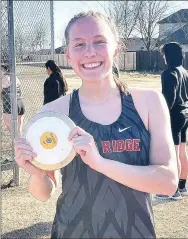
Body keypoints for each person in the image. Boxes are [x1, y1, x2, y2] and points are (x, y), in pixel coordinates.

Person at [14, 11, 178, 238]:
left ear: (116, 48)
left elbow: (168, 182)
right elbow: (44, 193)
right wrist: (37, 174)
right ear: (68, 54)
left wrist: (99, 162)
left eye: (99, 41)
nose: (90, 52)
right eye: (79, 44)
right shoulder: (54, 113)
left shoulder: (149, 103)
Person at [155, 42, 188, 200]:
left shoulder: (168, 73)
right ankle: (182, 186)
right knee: (182, 151)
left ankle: (173, 190)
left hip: (174, 116)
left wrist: (159, 117)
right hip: (185, 114)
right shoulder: (184, 72)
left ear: (168, 55)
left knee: (173, 153)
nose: (163, 58)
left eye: (163, 55)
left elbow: (169, 100)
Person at [1, 63, 25, 136]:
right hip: (20, 103)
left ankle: (15, 144)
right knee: (18, 131)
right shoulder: (15, 77)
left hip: (9, 103)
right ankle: (20, 143)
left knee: (12, 131)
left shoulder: (3, 78)